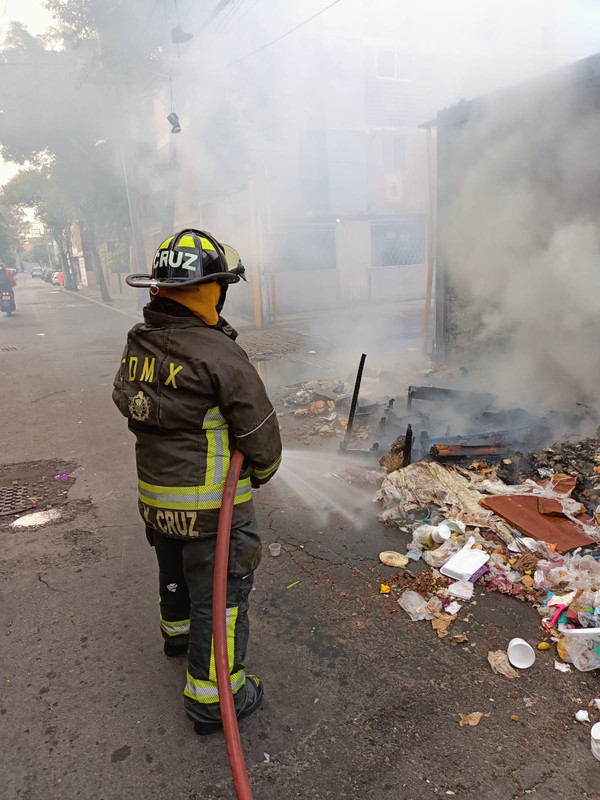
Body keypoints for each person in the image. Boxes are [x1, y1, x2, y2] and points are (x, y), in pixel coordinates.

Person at [112, 229, 282, 735]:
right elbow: (260, 435)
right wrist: (264, 471)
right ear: (212, 290)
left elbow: (126, 401)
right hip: (212, 511)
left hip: (156, 502)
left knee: (174, 570)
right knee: (221, 597)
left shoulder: (137, 342)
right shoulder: (219, 354)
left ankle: (176, 637)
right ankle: (213, 698)